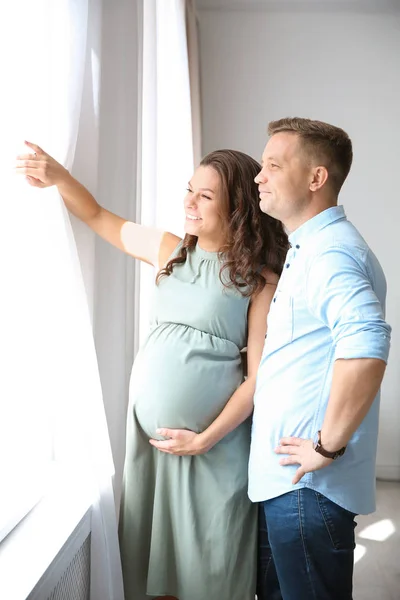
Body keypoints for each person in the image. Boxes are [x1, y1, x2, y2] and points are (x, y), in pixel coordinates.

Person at [16, 143, 288, 600]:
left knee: (211, 573)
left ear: (237, 206)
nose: (188, 202)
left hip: (214, 452)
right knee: (155, 573)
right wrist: (60, 177)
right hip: (153, 450)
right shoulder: (169, 250)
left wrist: (204, 438)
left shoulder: (261, 282)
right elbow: (100, 217)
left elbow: (257, 381)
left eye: (205, 195)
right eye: (189, 190)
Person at [251, 117, 391, 600]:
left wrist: (326, 448)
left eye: (273, 165)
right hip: (293, 488)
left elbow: (368, 341)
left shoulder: (330, 251)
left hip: (307, 490)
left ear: (316, 178)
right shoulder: (310, 247)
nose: (258, 176)